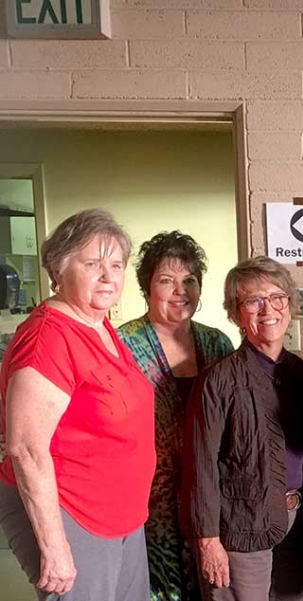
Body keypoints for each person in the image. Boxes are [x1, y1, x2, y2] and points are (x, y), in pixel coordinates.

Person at [0, 209, 156, 599]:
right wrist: (54, 547)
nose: (108, 276)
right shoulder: (47, 338)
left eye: (117, 265)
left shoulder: (98, 325)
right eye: (93, 264)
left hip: (119, 515)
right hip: (73, 514)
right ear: (58, 270)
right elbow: (26, 449)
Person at [181, 256, 303, 601]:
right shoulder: (218, 379)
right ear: (235, 313)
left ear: (289, 304)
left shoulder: (301, 374)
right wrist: (207, 541)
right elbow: (200, 467)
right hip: (241, 527)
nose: (267, 309)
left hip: (295, 522)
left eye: (276, 297)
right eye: (253, 301)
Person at [118, 231, 234, 601]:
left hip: (208, 495)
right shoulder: (122, 345)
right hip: (148, 501)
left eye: (189, 281)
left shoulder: (217, 343)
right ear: (147, 287)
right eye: (166, 281)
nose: (179, 291)